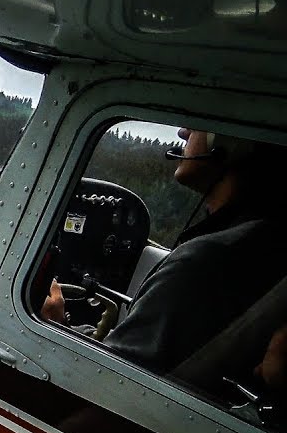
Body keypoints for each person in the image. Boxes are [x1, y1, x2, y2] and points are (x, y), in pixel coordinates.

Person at [42, 128, 287, 380]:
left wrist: (54, 323)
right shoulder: (263, 244)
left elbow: (104, 380)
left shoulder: (203, 264)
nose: (183, 132)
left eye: (197, 125)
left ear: (231, 141)